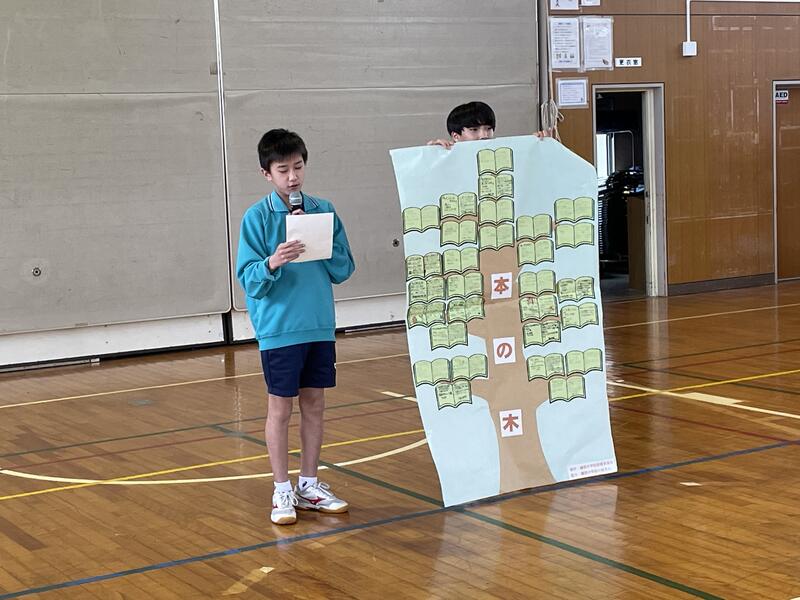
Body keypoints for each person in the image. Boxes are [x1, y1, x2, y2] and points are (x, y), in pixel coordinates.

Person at [236, 128, 356, 525]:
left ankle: (309, 484)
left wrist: (320, 242)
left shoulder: (324, 210)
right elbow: (249, 279)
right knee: (280, 408)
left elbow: (343, 269)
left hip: (318, 324)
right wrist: (274, 260)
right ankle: (282, 489)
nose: (293, 177)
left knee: (315, 404)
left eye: (298, 167)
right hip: (279, 327)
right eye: (283, 169)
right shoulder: (256, 217)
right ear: (266, 173)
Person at [427, 100, 554, 148]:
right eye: (474, 129)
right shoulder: (445, 156)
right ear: (455, 136)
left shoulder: (506, 153)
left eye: (488, 128)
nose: (484, 135)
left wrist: (543, 146)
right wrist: (431, 154)